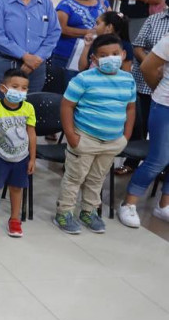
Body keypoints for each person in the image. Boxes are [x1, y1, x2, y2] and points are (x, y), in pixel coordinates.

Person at [52, 34, 135, 234]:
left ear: (123, 54)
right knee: (75, 177)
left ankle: (88, 211)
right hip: (85, 138)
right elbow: (66, 106)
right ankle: (64, 212)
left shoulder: (128, 79)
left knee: (98, 178)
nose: (111, 58)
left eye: (115, 53)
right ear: (94, 59)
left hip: (113, 140)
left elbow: (130, 108)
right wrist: (71, 135)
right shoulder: (84, 78)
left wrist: (126, 135)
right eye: (104, 55)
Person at [120, 26, 169, 227]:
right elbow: (147, 68)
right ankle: (129, 203)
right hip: (165, 105)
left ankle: (164, 205)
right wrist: (159, 91)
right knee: (159, 159)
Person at [0, 69, 36, 238]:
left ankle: (14, 219)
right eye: (15, 86)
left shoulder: (29, 108)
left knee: (17, 188)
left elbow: (31, 133)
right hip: (0, 157)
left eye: (24, 88)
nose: (20, 91)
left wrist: (32, 158)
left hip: (21, 157)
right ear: (3, 88)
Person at [118, 8, 169, 175]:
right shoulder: (154, 19)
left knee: (162, 133)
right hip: (147, 80)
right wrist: (152, 62)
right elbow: (138, 46)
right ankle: (132, 161)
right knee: (140, 124)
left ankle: (162, 166)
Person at [52, 0, 111, 69]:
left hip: (96, 54)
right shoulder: (66, 4)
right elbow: (61, 29)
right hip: (67, 54)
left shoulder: (103, 2)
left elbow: (111, 22)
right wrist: (89, 32)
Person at [77, 10, 134, 74]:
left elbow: (126, 71)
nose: (94, 27)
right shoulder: (95, 42)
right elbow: (82, 68)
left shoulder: (125, 46)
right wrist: (87, 46)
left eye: (98, 24)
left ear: (109, 27)